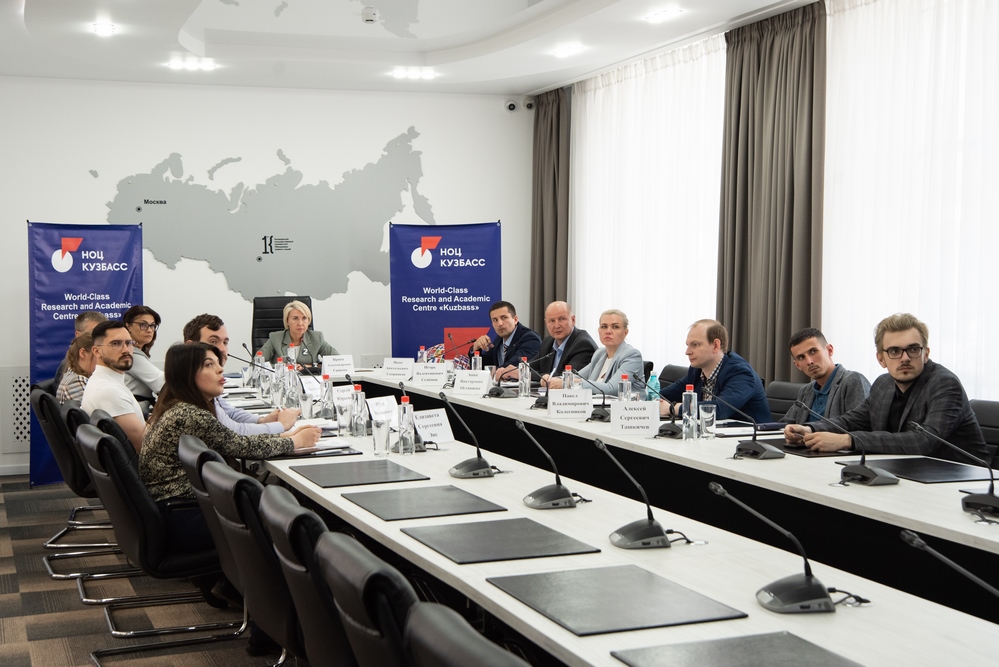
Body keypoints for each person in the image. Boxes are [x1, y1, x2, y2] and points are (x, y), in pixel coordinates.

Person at [138, 343, 320, 552]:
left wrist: (287, 436)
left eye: (218, 363)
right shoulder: (190, 414)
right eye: (209, 364)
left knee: (276, 513)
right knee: (286, 523)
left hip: (177, 509)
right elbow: (241, 446)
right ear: (186, 374)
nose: (220, 369)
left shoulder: (178, 406)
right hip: (182, 516)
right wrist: (295, 441)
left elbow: (231, 440)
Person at [785, 313, 989, 463]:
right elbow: (852, 420)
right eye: (894, 351)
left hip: (963, 480)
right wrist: (811, 428)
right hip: (907, 470)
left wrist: (848, 440)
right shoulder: (883, 385)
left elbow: (924, 441)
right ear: (881, 359)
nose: (905, 358)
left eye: (913, 349)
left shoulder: (945, 384)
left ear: (926, 354)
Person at [183, 313, 299, 436]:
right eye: (213, 341)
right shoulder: (190, 389)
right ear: (190, 346)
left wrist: (262, 421)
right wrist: (282, 427)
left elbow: (229, 413)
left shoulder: (202, 383)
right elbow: (234, 433)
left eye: (225, 343)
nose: (222, 349)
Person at [661, 319, 770, 423]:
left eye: (695, 345)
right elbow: (663, 395)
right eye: (688, 345)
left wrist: (672, 408)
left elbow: (719, 409)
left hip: (750, 435)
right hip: (713, 432)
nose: (687, 352)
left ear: (715, 345)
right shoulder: (696, 370)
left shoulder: (740, 373)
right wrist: (655, 401)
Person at [780, 327, 871, 424]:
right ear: (797, 365)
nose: (809, 361)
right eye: (801, 357)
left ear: (829, 350)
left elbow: (860, 425)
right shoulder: (806, 391)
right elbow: (785, 425)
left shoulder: (853, 381)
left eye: (813, 351)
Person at [81, 321, 147, 452]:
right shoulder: (109, 390)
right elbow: (143, 445)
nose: (126, 350)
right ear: (96, 351)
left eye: (129, 343)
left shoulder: (106, 381)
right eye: (116, 344)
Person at [547, 309, 643, 396]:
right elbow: (578, 376)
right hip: (595, 405)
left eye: (615, 327)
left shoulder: (632, 355)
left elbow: (612, 389)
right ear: (599, 330)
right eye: (604, 326)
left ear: (625, 332)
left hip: (624, 408)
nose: (608, 331)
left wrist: (569, 382)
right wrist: (554, 380)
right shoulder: (599, 354)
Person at [499, 301, 597, 383]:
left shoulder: (583, 344)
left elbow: (566, 378)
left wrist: (522, 373)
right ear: (546, 323)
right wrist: (510, 372)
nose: (557, 325)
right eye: (552, 321)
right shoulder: (548, 342)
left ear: (573, 320)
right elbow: (531, 367)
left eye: (562, 319)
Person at [469, 301, 542, 381]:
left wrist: (486, 373)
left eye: (504, 318)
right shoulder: (499, 339)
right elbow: (485, 365)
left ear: (515, 319)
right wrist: (476, 349)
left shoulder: (530, 338)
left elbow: (512, 367)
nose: (500, 324)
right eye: (495, 320)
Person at [259, 300, 336, 369]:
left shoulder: (316, 338)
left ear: (308, 320)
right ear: (287, 321)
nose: (300, 323)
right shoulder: (275, 338)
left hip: (309, 379)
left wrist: (312, 366)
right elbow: (257, 363)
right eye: (295, 318)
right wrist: (281, 367)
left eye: (304, 318)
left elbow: (337, 361)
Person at [54, 310, 107, 388]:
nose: (100, 339)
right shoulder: (69, 371)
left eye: (104, 334)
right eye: (93, 333)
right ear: (78, 335)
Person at [122, 305, 164, 402]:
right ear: (128, 326)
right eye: (143, 325)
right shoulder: (129, 354)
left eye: (152, 325)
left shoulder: (138, 352)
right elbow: (160, 382)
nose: (149, 330)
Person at [56, 332, 96, 404]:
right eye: (96, 353)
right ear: (83, 353)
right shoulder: (76, 382)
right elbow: (92, 411)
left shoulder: (75, 377)